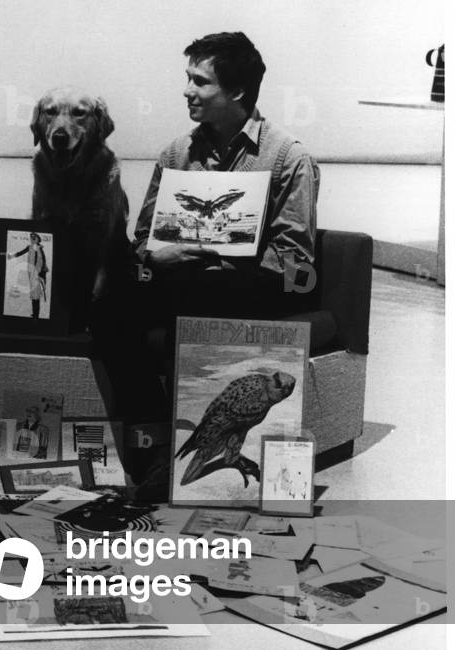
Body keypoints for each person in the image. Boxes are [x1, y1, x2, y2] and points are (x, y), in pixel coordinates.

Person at [91, 31, 320, 424]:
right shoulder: (176, 153)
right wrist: (157, 255)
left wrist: (226, 256)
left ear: (236, 91)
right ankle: (155, 429)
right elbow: (144, 237)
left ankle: (180, 434)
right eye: (188, 78)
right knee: (109, 304)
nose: (187, 91)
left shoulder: (288, 157)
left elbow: (296, 262)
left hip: (251, 285)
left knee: (200, 292)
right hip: (181, 278)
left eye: (200, 81)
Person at [6, 232, 49, 318]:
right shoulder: (30, 248)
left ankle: (36, 315)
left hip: (37, 275)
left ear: (37, 240)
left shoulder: (39, 249)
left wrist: (40, 275)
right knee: (33, 294)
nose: (32, 240)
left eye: (34, 238)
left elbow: (41, 263)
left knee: (35, 294)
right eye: (31, 238)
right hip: (32, 274)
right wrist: (12, 256)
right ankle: (35, 314)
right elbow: (21, 253)